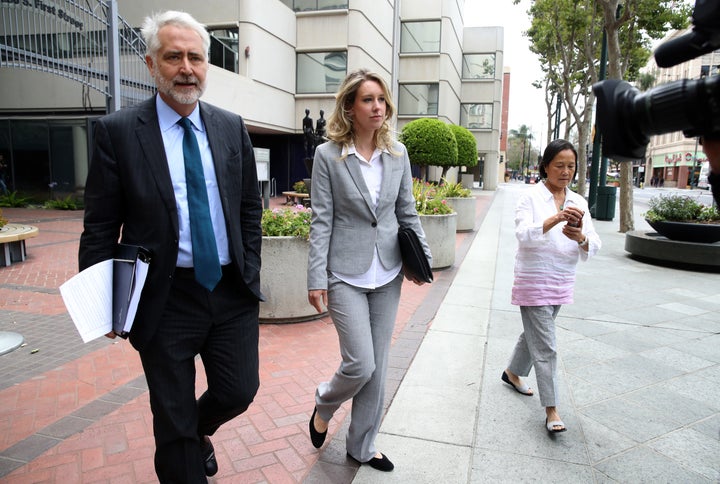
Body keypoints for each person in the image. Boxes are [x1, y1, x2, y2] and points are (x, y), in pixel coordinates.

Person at [78, 10, 263, 482]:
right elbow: (100, 224)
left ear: (206, 65)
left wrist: (252, 271)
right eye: (173, 56)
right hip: (163, 299)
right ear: (151, 64)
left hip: (229, 292)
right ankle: (184, 443)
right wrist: (103, 301)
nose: (186, 67)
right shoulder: (118, 133)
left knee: (238, 391)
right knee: (172, 421)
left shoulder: (229, 126)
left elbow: (248, 208)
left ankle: (195, 432)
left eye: (195, 58)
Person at [306, 68, 431, 472]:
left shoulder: (397, 154)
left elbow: (406, 213)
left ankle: (361, 445)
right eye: (368, 100)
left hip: (388, 273)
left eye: (381, 100)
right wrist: (315, 277)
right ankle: (325, 401)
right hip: (345, 274)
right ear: (350, 107)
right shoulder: (327, 156)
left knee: (378, 368)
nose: (377, 107)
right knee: (360, 363)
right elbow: (321, 219)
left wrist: (424, 260)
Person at [501, 139, 600, 434]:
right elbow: (522, 234)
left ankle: (512, 372)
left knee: (534, 334)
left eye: (571, 166)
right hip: (533, 280)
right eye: (559, 165)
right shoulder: (529, 198)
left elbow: (593, 243)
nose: (566, 171)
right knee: (546, 346)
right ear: (545, 166)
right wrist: (555, 218)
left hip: (561, 281)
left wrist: (580, 237)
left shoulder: (579, 202)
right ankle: (552, 408)